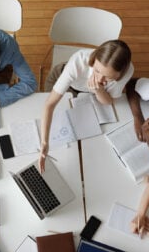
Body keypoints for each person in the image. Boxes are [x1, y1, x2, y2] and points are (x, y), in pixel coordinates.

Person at [39, 40, 134, 171]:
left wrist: (98, 89)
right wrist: (45, 142)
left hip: (90, 92)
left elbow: (108, 101)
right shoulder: (78, 61)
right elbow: (49, 104)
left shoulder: (127, 72)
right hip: (65, 82)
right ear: (93, 60)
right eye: (97, 70)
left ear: (120, 75)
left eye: (108, 77)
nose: (100, 79)